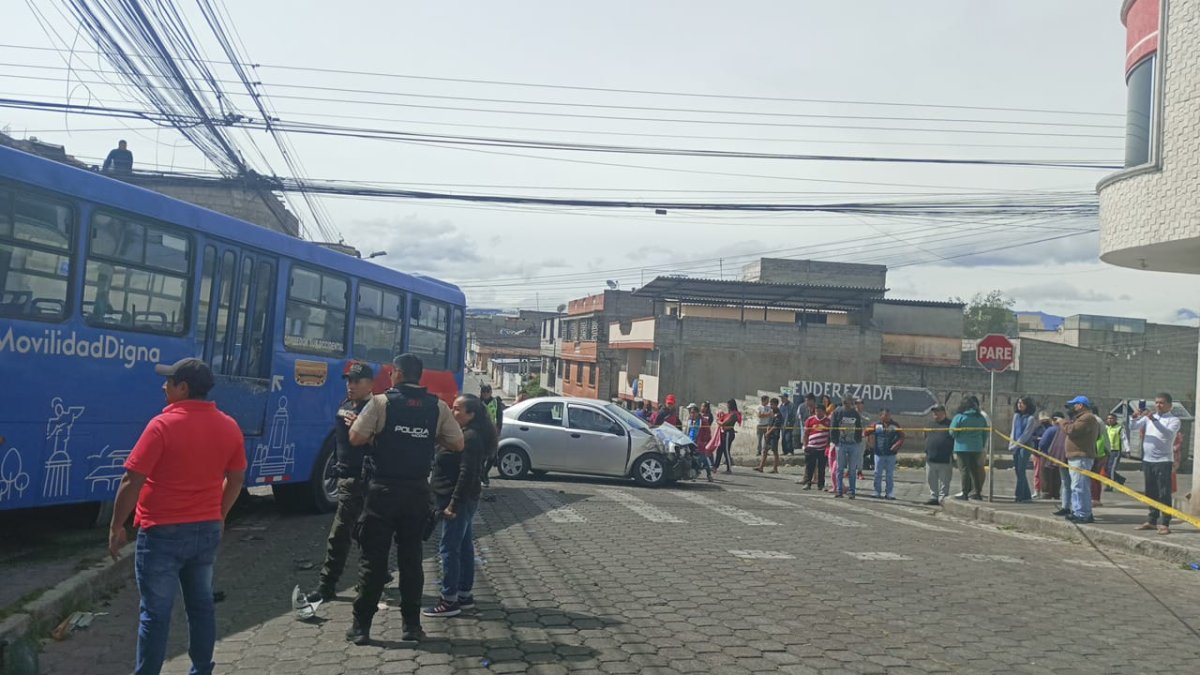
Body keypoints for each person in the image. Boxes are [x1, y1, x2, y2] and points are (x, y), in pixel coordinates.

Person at [107, 358, 245, 675]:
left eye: (169, 381)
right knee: (201, 607)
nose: (163, 386)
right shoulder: (229, 426)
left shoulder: (162, 426)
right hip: (206, 531)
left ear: (183, 388)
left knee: (155, 613)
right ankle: (201, 669)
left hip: (161, 533)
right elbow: (236, 479)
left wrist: (117, 525)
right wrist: (219, 514)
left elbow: (132, 480)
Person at [346, 354, 465, 645]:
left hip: (382, 493)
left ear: (397, 374)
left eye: (392, 374)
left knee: (373, 562)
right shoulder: (437, 407)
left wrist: (378, 436)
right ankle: (411, 627)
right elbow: (457, 443)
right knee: (411, 562)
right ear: (419, 376)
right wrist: (425, 439)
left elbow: (355, 438)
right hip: (416, 494)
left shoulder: (380, 402)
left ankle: (361, 628)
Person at [306, 363, 376, 605]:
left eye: (357, 381)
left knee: (354, 533)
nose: (351, 385)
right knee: (348, 533)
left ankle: (330, 585)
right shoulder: (345, 405)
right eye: (349, 381)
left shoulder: (375, 408)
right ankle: (330, 585)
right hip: (346, 478)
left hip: (366, 480)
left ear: (370, 383)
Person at [423, 394, 493, 618]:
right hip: (459, 499)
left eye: (457, 409)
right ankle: (464, 594)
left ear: (471, 415)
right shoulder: (463, 434)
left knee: (449, 549)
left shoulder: (471, 437)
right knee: (463, 546)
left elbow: (467, 473)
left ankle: (449, 600)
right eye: (452, 408)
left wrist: (453, 504)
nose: (453, 413)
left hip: (458, 500)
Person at [1132, 393, 1181, 535]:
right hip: (1148, 460)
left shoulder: (1174, 420)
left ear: (1169, 405)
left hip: (1163, 461)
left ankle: (1165, 522)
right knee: (1150, 491)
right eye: (1156, 402)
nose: (1158, 405)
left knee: (1164, 492)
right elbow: (1133, 427)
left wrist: (1152, 419)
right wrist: (1134, 417)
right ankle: (1152, 520)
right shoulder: (1149, 418)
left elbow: (1167, 434)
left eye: (1161, 403)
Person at [1057, 396, 1100, 524]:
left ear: (1081, 405)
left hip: (1081, 457)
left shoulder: (1087, 418)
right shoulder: (1081, 418)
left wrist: (1061, 421)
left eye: (1074, 405)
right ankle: (1078, 511)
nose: (1072, 408)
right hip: (1076, 457)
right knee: (1077, 486)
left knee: (1079, 486)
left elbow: (1071, 430)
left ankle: (1083, 513)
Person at [949, 395, 987, 501]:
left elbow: (952, 432)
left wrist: (959, 437)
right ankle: (977, 492)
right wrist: (981, 444)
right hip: (977, 447)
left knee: (964, 470)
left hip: (962, 447)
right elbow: (985, 433)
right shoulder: (980, 418)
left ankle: (965, 492)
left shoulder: (959, 417)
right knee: (975, 470)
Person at [830, 397, 864, 499]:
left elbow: (859, 427)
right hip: (841, 444)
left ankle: (852, 491)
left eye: (848, 402)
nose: (847, 404)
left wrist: (858, 441)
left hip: (853, 444)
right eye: (845, 402)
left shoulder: (855, 413)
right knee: (840, 469)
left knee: (852, 469)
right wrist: (835, 441)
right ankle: (839, 490)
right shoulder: (837, 412)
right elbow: (833, 427)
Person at [866, 409, 904, 500]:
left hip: (891, 454)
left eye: (888, 415)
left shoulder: (895, 425)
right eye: (884, 415)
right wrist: (870, 440)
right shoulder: (876, 425)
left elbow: (902, 436)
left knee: (889, 475)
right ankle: (877, 492)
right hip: (879, 453)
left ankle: (889, 493)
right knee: (877, 474)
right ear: (880, 416)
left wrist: (897, 445)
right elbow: (866, 432)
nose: (887, 417)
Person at [924, 405, 954, 505]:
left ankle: (943, 498)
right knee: (931, 479)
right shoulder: (929, 424)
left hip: (945, 457)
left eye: (937, 411)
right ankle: (933, 496)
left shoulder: (950, 424)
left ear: (943, 413)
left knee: (944, 480)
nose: (935, 414)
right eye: (934, 412)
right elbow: (925, 437)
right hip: (931, 457)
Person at [1009, 396, 1038, 503]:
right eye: (1019, 403)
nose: (1019, 405)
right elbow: (1013, 431)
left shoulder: (1030, 419)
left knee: (1021, 470)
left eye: (1022, 403)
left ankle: (1019, 495)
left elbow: (1026, 435)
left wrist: (1017, 444)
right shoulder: (1016, 416)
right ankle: (1026, 495)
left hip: (1025, 446)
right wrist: (1011, 443)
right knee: (1018, 470)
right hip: (1015, 446)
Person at [799, 405, 831, 490]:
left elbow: (830, 435)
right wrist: (805, 445)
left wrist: (828, 446)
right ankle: (807, 483)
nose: (818, 413)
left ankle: (821, 485)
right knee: (810, 466)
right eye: (817, 411)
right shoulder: (810, 420)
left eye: (820, 411)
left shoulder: (828, 421)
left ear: (824, 411)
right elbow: (806, 434)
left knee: (822, 468)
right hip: (811, 447)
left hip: (823, 448)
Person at [479, 384, 505, 487]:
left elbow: (499, 418)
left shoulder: (496, 402)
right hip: (480, 433)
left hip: (492, 432)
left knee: (492, 456)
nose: (485, 394)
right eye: (483, 392)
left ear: (490, 392)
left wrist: (498, 432)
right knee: (481, 457)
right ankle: (482, 476)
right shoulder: (478, 402)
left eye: (487, 392)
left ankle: (485, 473)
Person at [1038, 412, 1066, 501]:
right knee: (1057, 475)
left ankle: (1046, 493)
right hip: (1060, 456)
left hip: (1047, 455)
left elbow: (1043, 443)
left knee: (1045, 474)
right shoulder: (1065, 429)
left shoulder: (1050, 430)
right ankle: (1056, 493)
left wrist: (1040, 449)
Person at [685, 404, 714, 481]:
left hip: (699, 444)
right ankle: (693, 474)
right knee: (691, 459)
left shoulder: (703, 421)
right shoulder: (690, 421)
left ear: (697, 413)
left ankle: (708, 474)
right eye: (691, 412)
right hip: (690, 442)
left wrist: (704, 442)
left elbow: (708, 433)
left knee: (702, 459)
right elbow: (687, 431)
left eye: (694, 412)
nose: (692, 414)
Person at [755, 398, 783, 473]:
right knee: (765, 451)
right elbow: (769, 424)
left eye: (772, 404)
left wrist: (768, 432)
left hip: (774, 435)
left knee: (775, 451)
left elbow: (776, 426)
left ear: (776, 405)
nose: (770, 405)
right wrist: (767, 432)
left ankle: (775, 468)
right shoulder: (771, 413)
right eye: (770, 404)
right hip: (769, 435)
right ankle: (761, 467)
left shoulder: (778, 414)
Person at [713, 400, 740, 474]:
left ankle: (729, 469)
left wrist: (718, 421)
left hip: (728, 433)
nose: (727, 406)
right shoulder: (730, 414)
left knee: (726, 451)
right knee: (719, 449)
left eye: (728, 405)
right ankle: (715, 466)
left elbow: (724, 423)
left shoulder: (734, 414)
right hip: (725, 433)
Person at [1104, 413, 1127, 492]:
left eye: (1111, 418)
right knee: (1106, 469)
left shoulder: (1119, 428)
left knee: (1111, 469)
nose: (1110, 420)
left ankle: (1110, 485)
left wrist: (1127, 450)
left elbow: (1124, 439)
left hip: (1116, 451)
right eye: (1108, 418)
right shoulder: (1107, 428)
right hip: (1107, 451)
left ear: (1115, 419)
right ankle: (1120, 479)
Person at [856, 398, 872, 479]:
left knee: (860, 455)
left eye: (860, 403)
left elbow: (868, 422)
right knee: (850, 455)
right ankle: (849, 471)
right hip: (852, 438)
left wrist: (859, 415)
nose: (858, 405)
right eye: (857, 403)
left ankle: (859, 471)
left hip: (862, 437)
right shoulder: (852, 413)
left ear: (863, 404)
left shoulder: (866, 415)